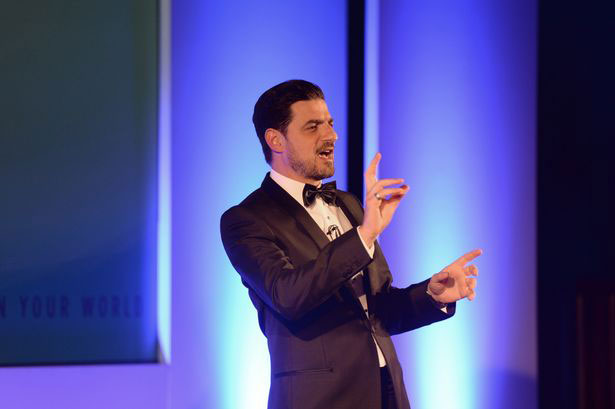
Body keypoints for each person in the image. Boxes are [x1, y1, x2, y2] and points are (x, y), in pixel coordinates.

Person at [220, 80, 481, 409]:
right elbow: (288, 295)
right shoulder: (247, 219)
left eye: (329, 123)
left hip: (387, 393)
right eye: (313, 126)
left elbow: (380, 309)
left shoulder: (349, 204)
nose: (331, 135)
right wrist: (364, 235)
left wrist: (431, 294)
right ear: (276, 140)